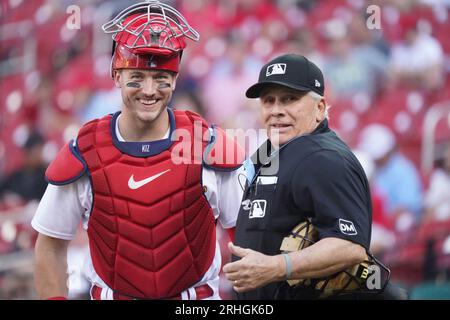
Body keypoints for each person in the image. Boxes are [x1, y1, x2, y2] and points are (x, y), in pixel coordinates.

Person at [32, 1, 244, 300]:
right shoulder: (87, 150)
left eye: (161, 78)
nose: (149, 90)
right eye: (137, 77)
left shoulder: (208, 144)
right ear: (116, 76)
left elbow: (247, 241)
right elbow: (51, 243)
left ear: (174, 80)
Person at [223, 54, 374, 299]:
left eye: (289, 99)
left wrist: (278, 267)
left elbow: (350, 247)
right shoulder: (270, 151)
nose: (276, 111)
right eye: (268, 101)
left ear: (320, 108)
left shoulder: (324, 158)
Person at [357, 123, 423, 231]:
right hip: (372, 220)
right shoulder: (371, 167)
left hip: (392, 226)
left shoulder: (403, 170)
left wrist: (383, 217)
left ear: (388, 152)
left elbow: (408, 206)